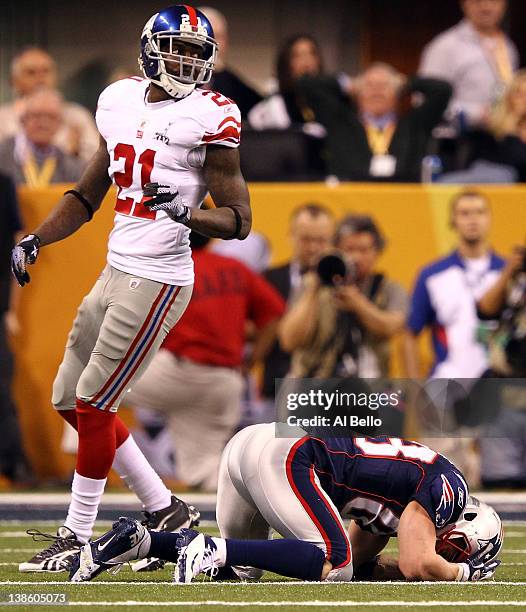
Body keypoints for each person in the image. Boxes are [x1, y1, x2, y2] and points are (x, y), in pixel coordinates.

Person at [11, 5, 251, 573]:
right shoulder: (118, 101)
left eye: (198, 51)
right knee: (69, 399)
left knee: (96, 401)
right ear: (150, 49)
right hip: (115, 268)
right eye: (179, 48)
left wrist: (187, 215)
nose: (189, 61)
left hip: (161, 278)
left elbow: (240, 218)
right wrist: (36, 240)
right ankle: (164, 508)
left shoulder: (213, 115)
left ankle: (77, 534)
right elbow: (86, 195)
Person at [70, 423, 502, 584]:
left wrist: (405, 567)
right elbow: (416, 563)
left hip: (252, 445)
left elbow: (372, 560)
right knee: (335, 565)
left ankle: (142, 541)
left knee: (242, 571)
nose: (450, 550)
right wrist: (462, 572)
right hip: (291, 456)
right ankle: (207, 547)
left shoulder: (412, 497)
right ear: (468, 518)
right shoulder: (451, 487)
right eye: (462, 547)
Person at [125, 231, 285, 494]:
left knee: (85, 390)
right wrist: (252, 359)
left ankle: (86, 470)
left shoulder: (166, 267)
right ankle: (267, 493)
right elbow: (274, 314)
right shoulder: (235, 268)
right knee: (205, 472)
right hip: (223, 381)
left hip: (174, 371)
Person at [279, 214, 407, 379]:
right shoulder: (314, 285)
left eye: (363, 250)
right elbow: (289, 340)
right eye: (349, 249)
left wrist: (359, 305)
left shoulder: (390, 288)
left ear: (377, 252)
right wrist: (313, 290)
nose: (355, 257)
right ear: (336, 249)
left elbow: (392, 326)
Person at [404, 191, 504, 380]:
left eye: (480, 212)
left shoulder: (507, 273)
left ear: (490, 218)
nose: (473, 219)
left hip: (500, 385)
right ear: (453, 220)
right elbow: (410, 333)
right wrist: (414, 390)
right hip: (449, 383)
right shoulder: (433, 275)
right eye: (465, 213)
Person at [297, 63, 452, 181]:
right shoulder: (340, 122)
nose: (376, 91)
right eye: (369, 86)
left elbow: (443, 90)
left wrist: (407, 83)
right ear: (358, 92)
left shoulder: (414, 125)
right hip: (350, 200)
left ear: (397, 92)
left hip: (402, 201)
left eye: (384, 86)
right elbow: (305, 85)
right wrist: (346, 83)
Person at [261, 204, 335, 401]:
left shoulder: (342, 284)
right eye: (306, 239)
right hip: (277, 387)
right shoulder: (268, 279)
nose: (312, 247)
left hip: (329, 390)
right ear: (290, 236)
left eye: (320, 240)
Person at [419, 0, 518, 126]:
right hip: (456, 140)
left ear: (504, 4)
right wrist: (475, 114)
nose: (486, 7)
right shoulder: (445, 47)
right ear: (464, 4)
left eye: (493, 1)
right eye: (477, 1)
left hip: (501, 138)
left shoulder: (508, 47)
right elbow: (424, 100)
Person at [475, 245, 526, 487]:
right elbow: (485, 310)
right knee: (501, 480)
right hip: (506, 388)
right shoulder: (515, 281)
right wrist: (510, 271)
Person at [0, 47, 99, 161]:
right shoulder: (2, 119)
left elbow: (96, 160)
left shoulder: (77, 116)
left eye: (46, 71)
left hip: (70, 177)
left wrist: (75, 156)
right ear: (14, 81)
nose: (40, 78)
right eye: (31, 73)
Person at [0, 172, 31, 484]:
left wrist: (12, 305)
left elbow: (16, 245)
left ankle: (13, 463)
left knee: (1, 385)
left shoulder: (3, 182)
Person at [0, 89, 83, 186]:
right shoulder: (3, 154)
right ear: (23, 119)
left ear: (60, 123)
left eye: (51, 117)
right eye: (36, 116)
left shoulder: (69, 166)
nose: (43, 123)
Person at [248, 34, 325, 131]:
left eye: (312, 54)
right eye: (297, 56)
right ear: (286, 64)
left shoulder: (329, 101)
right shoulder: (275, 106)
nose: (307, 62)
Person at [197, 6, 262, 119]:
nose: (212, 44)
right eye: (204, 37)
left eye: (217, 37)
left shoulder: (238, 88)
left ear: (226, 41)